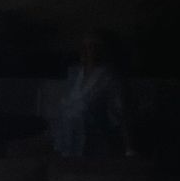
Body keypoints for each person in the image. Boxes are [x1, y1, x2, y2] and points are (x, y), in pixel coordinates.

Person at [52, 29, 133, 159]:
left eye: (91, 46)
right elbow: (65, 103)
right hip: (66, 137)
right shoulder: (75, 73)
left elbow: (120, 110)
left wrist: (129, 147)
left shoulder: (108, 76)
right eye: (84, 46)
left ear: (100, 50)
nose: (86, 50)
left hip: (93, 132)